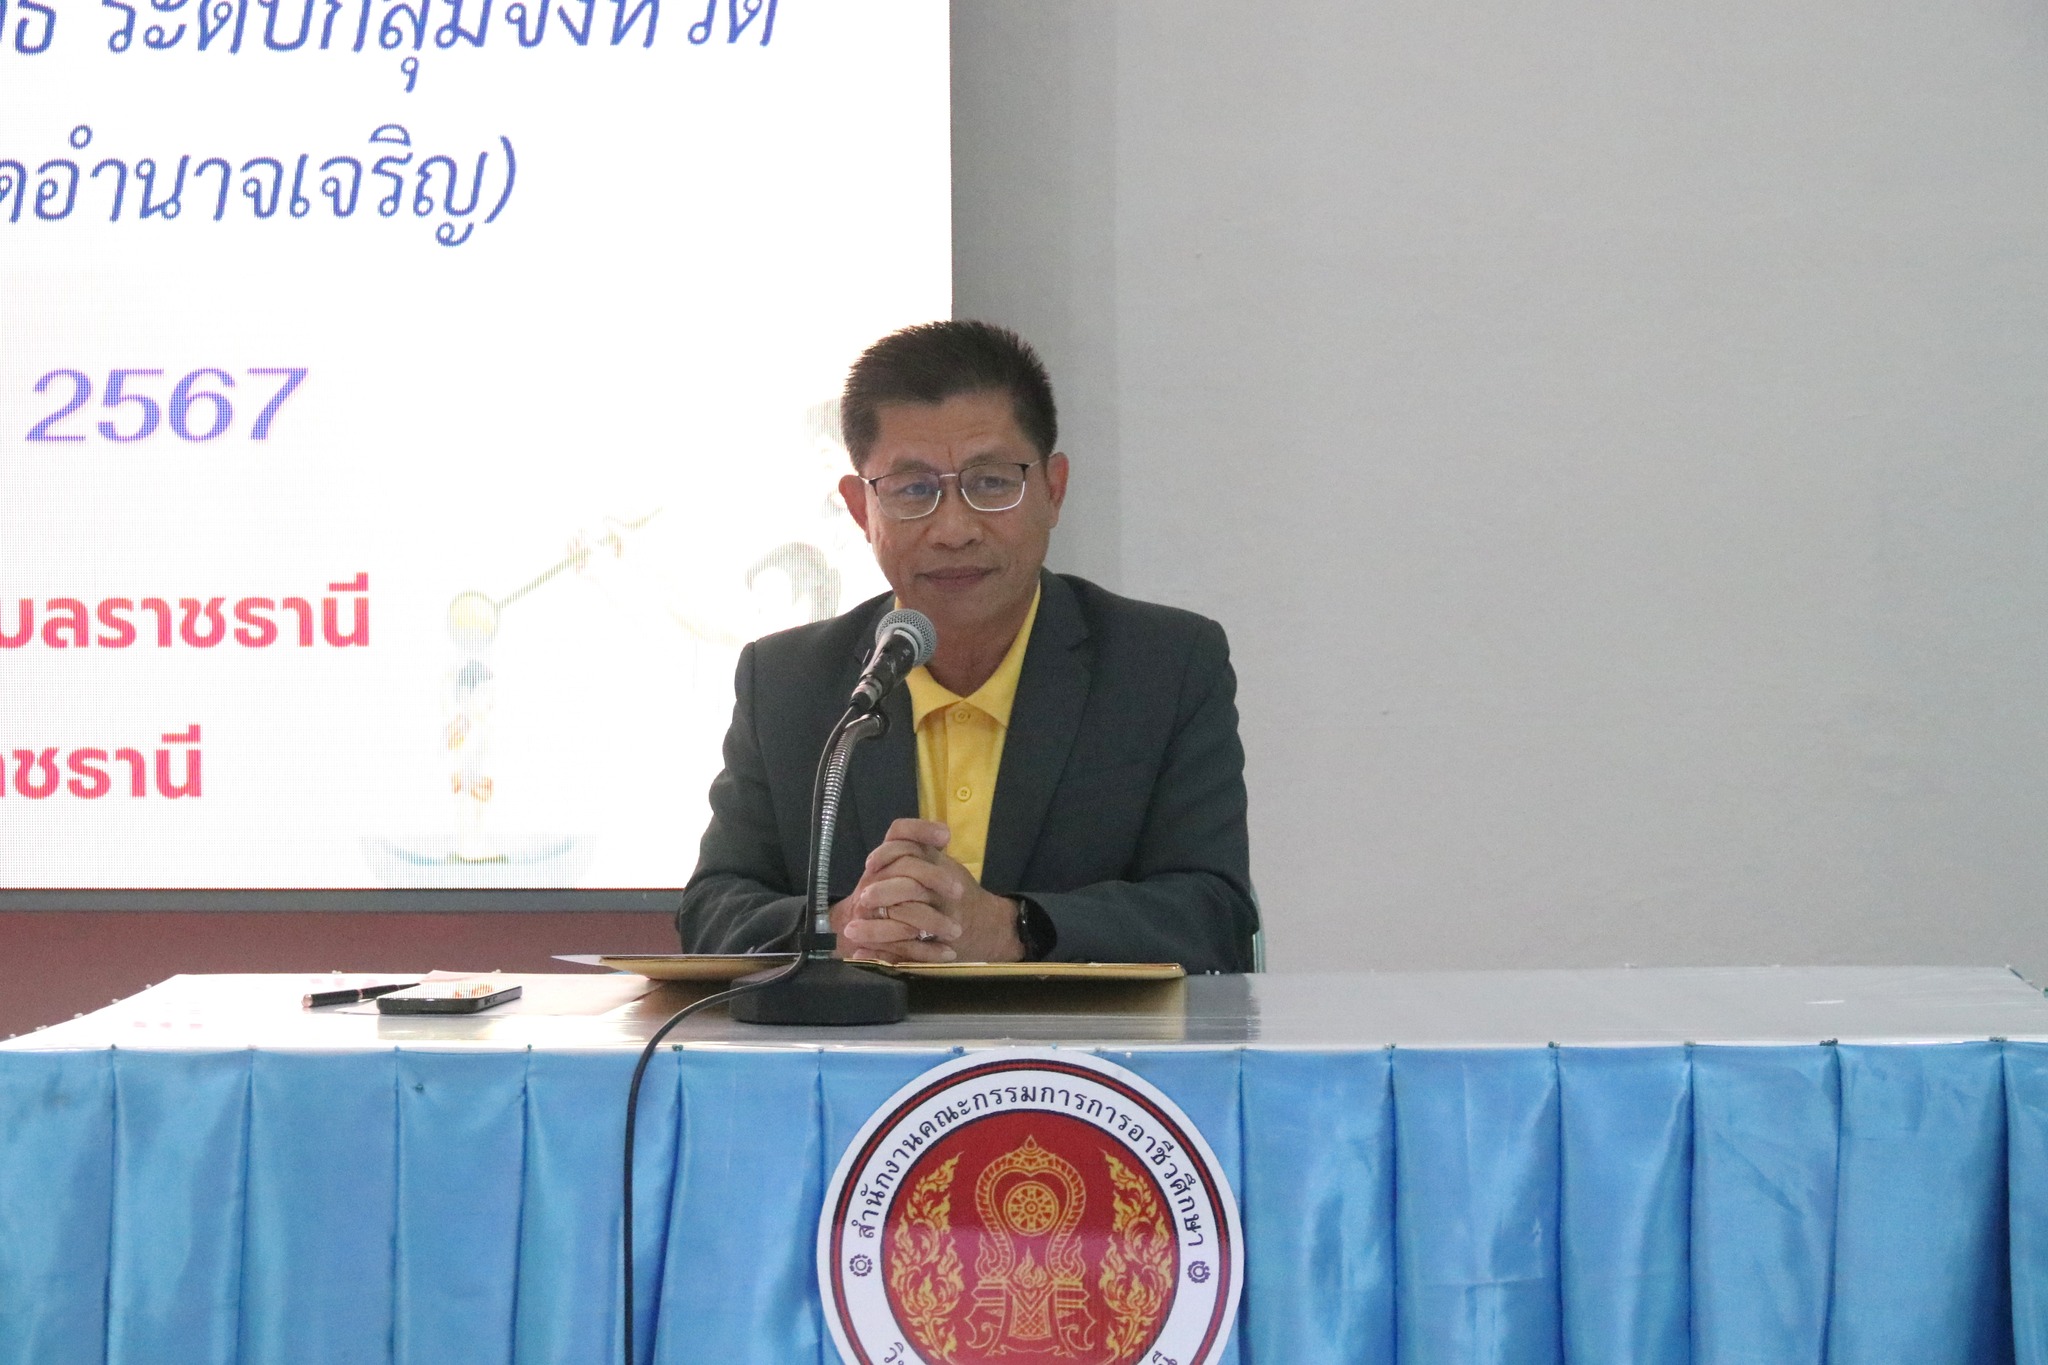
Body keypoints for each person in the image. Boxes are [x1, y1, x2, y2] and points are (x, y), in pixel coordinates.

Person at [676, 321, 1257, 973]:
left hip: (1076, 1042)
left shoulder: (1165, 666)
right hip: (859, 1038)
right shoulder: (787, 681)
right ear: (861, 510)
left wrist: (1016, 929)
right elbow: (713, 910)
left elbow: (1215, 916)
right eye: (913, 490)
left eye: (991, 482)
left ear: (1054, 490)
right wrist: (838, 927)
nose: (954, 529)